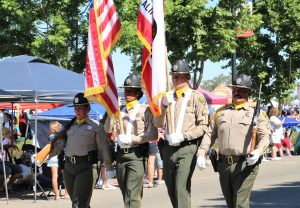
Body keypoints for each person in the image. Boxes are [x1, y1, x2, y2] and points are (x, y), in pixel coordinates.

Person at [198, 74, 271, 208]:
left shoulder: (257, 113)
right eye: (235, 89)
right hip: (223, 165)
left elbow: (265, 136)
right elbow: (209, 134)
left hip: (245, 164)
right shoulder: (220, 112)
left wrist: (258, 151)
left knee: (240, 204)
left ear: (249, 92)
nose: (237, 92)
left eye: (241, 90)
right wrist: (201, 153)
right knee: (231, 204)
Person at [155, 60, 209, 208]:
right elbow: (158, 124)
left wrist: (184, 136)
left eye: (179, 76)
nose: (175, 79)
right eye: (174, 76)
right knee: (171, 188)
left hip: (186, 148)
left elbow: (203, 125)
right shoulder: (167, 97)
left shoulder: (196, 97)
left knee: (181, 187)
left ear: (187, 77)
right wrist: (164, 105)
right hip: (167, 148)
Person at [49, 93, 113, 208]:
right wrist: (42, 156)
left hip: (86, 167)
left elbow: (103, 147)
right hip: (69, 167)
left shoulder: (96, 126)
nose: (77, 110)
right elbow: (60, 146)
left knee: (78, 203)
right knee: (79, 202)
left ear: (88, 108)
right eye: (75, 108)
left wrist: (109, 167)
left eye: (80, 107)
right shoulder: (69, 126)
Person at [104, 74, 158, 208]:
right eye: (126, 90)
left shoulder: (145, 110)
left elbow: (153, 134)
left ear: (138, 93)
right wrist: (111, 111)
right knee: (126, 195)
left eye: (131, 90)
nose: (127, 93)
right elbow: (107, 128)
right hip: (121, 156)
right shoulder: (119, 110)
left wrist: (133, 139)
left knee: (132, 195)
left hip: (136, 156)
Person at [46, 121, 69, 200]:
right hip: (62, 156)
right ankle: (66, 194)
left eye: (50, 128)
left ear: (54, 128)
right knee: (65, 176)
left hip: (53, 156)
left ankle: (57, 196)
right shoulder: (63, 136)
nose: (50, 129)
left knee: (54, 176)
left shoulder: (51, 136)